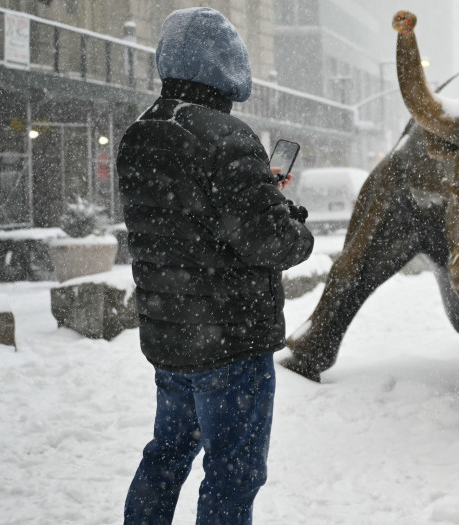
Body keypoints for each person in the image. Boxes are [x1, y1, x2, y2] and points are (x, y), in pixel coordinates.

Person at [116, 7, 313, 524]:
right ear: (229, 65)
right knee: (234, 472)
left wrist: (257, 194)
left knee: (167, 453)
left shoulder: (140, 132)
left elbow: (184, 218)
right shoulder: (227, 137)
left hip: (169, 336)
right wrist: (294, 224)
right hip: (230, 341)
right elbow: (270, 242)